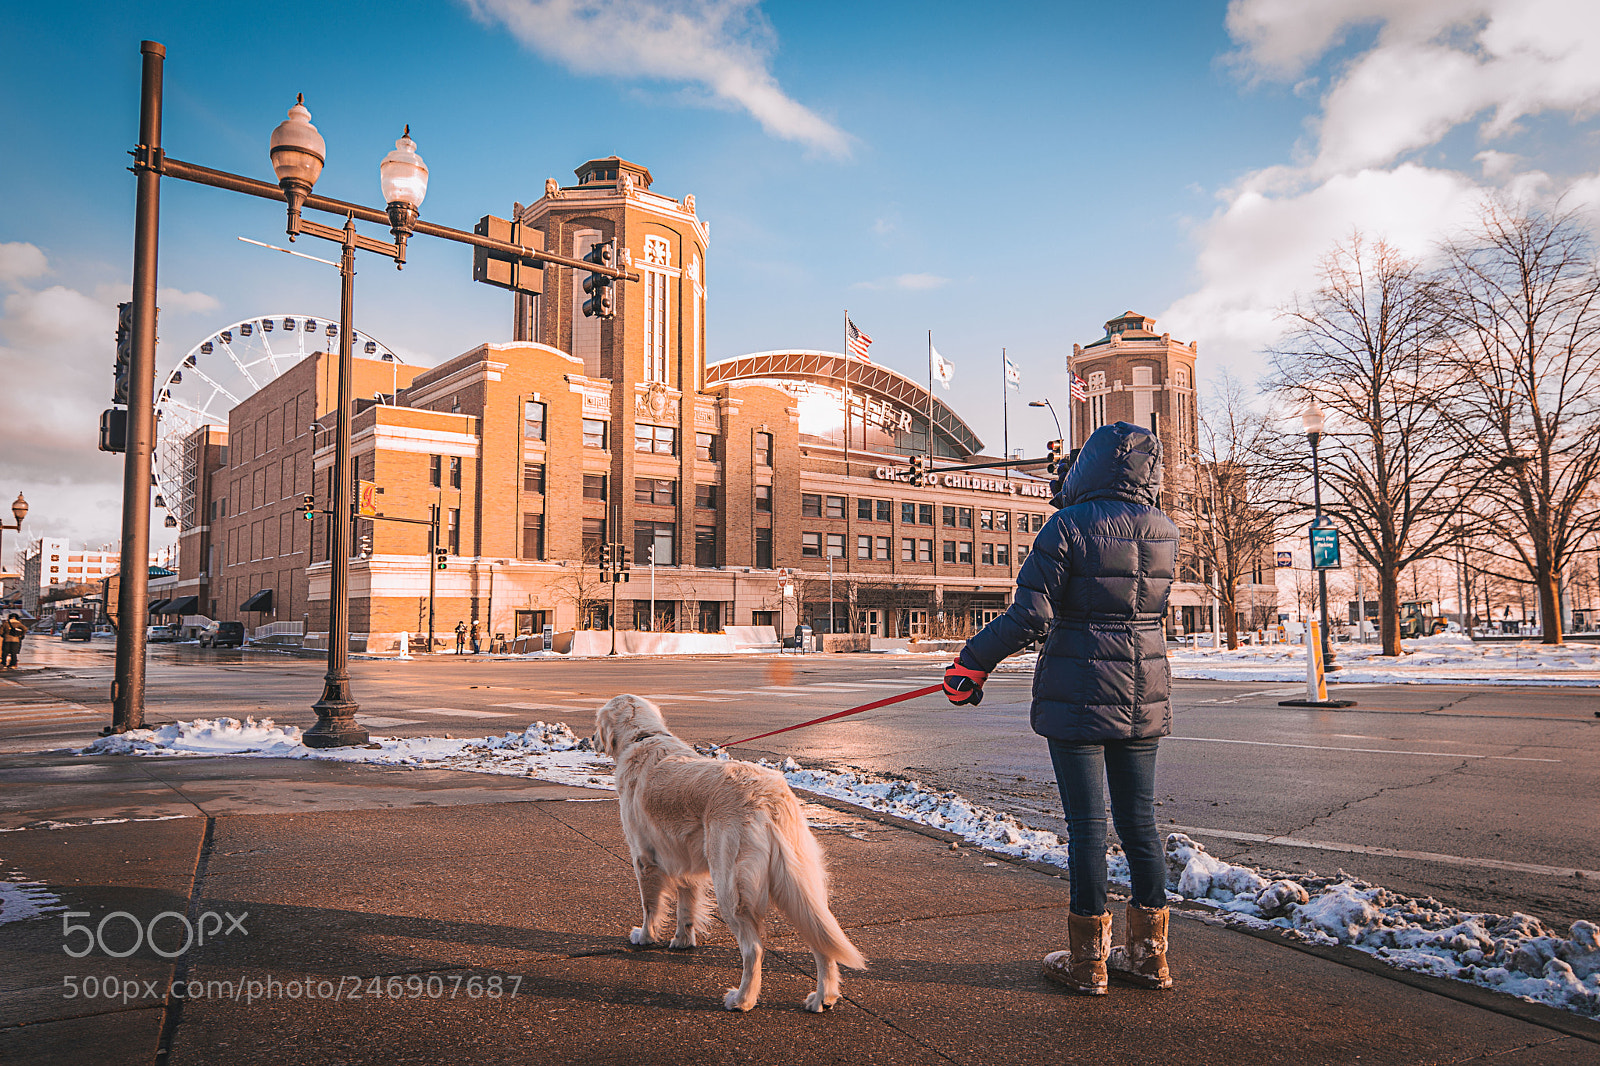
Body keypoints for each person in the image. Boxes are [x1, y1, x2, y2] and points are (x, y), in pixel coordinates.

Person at [944, 421, 1179, 996]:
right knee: (1140, 822)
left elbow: (1031, 617)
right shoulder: (1165, 529)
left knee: (1087, 826)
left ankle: (1089, 963)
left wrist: (971, 662)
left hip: (1078, 688)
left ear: (1089, 466)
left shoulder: (1067, 527)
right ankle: (1150, 957)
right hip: (1144, 685)